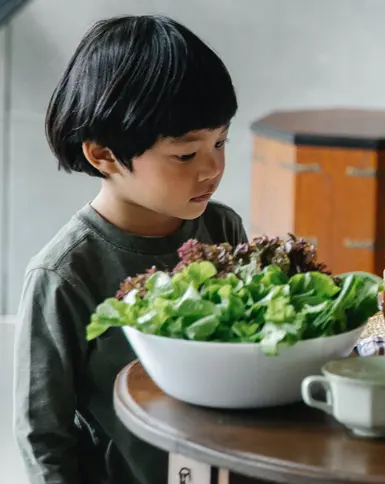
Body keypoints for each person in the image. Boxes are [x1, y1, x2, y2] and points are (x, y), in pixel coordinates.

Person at [13, 15, 247, 484]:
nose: (212, 167)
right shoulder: (64, 274)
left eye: (220, 141)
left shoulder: (222, 227)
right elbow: (43, 436)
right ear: (103, 155)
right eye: (185, 154)